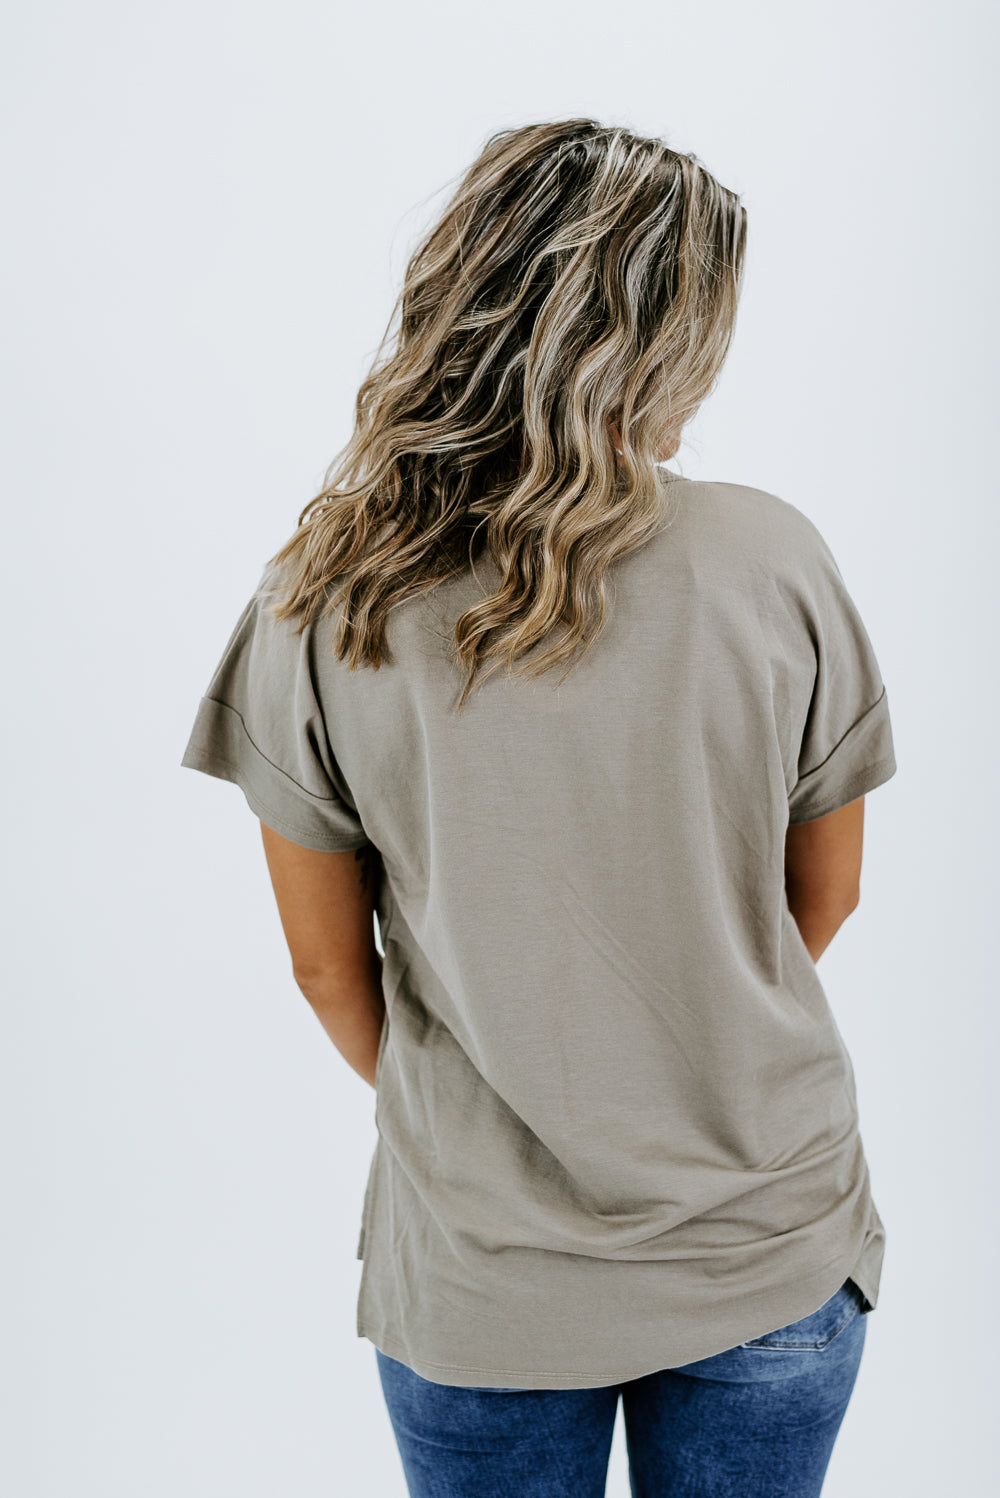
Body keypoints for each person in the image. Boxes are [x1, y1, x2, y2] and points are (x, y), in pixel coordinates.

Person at [180, 118, 898, 1497]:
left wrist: (507, 1100)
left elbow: (326, 967)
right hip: (765, 1237)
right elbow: (829, 893)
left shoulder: (322, 599)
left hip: (481, 1269)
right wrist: (675, 1038)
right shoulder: (774, 561)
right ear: (664, 333)